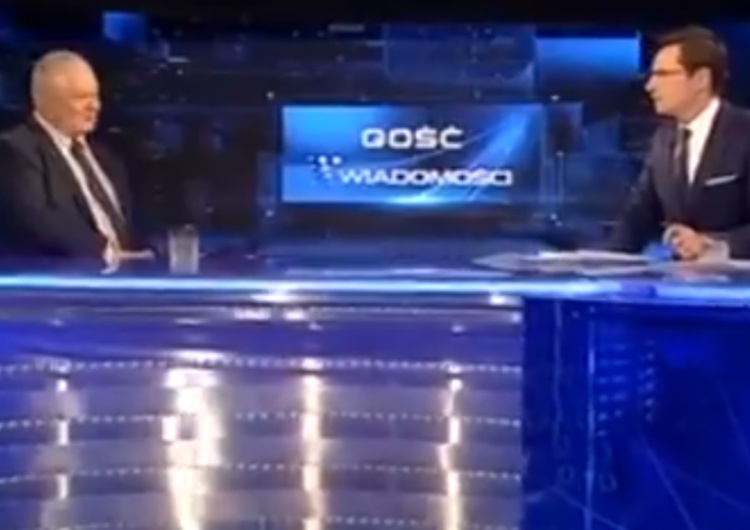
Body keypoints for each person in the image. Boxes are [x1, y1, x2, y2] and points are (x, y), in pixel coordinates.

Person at [610, 26, 750, 260]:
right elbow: (638, 218)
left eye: (662, 74)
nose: (650, 86)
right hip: (682, 280)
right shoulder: (663, 139)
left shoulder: (744, 132)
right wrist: (598, 262)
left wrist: (716, 245)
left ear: (701, 79)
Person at [0, 50, 151, 264]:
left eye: (95, 96)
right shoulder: (16, 150)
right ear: (47, 100)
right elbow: (34, 223)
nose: (94, 106)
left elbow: (131, 227)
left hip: (128, 278)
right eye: (81, 98)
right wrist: (107, 255)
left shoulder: (106, 158)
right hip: (60, 279)